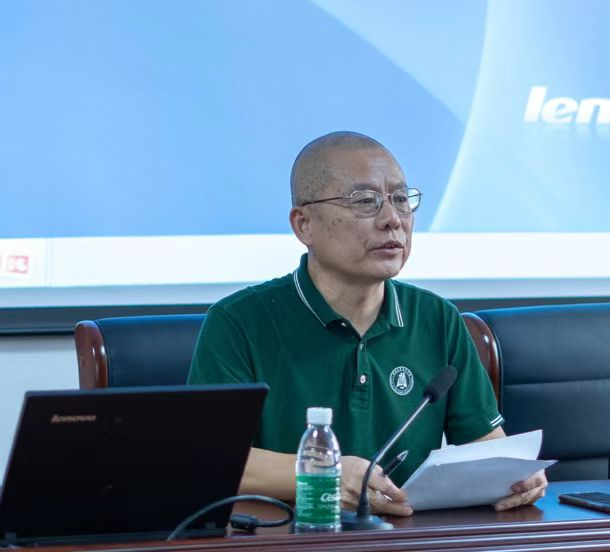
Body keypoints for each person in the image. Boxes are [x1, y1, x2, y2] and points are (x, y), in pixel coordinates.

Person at [187, 131, 547, 516]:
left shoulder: (438, 318)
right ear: (304, 224)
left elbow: (487, 446)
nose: (392, 220)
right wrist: (324, 471)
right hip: (286, 534)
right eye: (365, 201)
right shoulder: (238, 322)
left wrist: (516, 476)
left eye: (401, 200)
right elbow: (209, 458)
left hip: (406, 535)